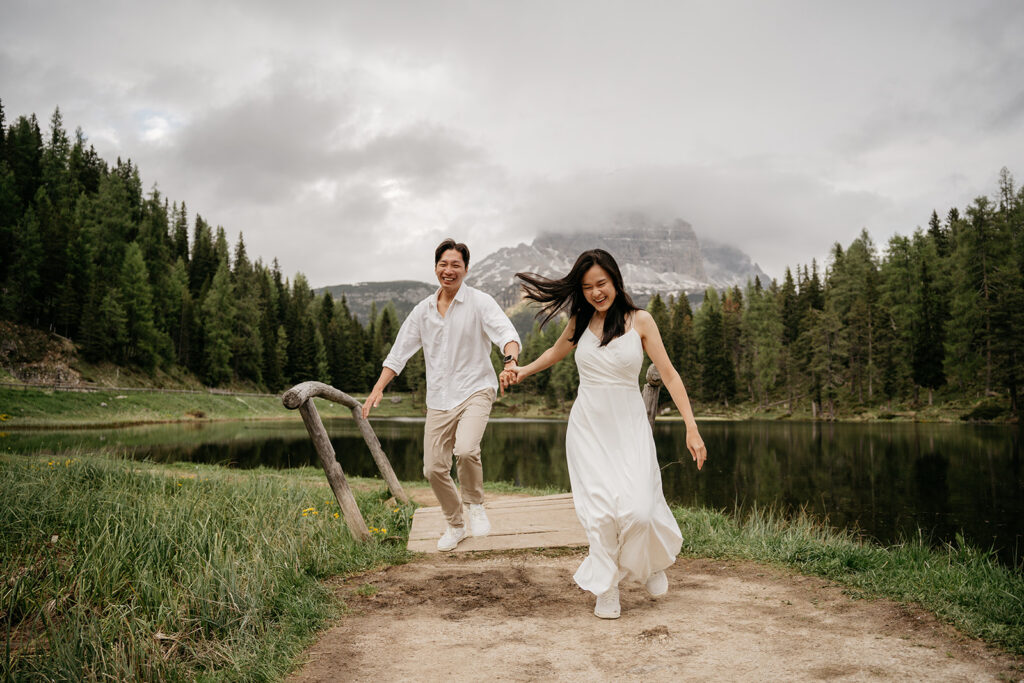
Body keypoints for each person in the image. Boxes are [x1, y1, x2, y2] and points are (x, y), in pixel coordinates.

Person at [502, 248, 706, 619]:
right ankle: (607, 589)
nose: (596, 293)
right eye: (587, 287)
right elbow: (553, 353)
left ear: (615, 281)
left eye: (601, 284)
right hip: (588, 429)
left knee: (640, 510)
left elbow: (671, 375)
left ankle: (648, 563)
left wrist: (692, 427)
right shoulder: (580, 321)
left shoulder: (640, 321)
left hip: (629, 428)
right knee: (599, 516)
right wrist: (523, 370)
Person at [363, 238, 521, 551]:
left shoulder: (479, 302)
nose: (448, 271)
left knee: (465, 449)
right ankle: (455, 523)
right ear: (436, 267)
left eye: (455, 265)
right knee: (433, 468)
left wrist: (511, 360)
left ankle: (475, 504)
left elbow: (506, 333)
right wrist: (377, 388)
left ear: (465, 269)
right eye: (443, 264)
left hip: (476, 388)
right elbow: (399, 353)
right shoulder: (423, 311)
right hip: (439, 398)